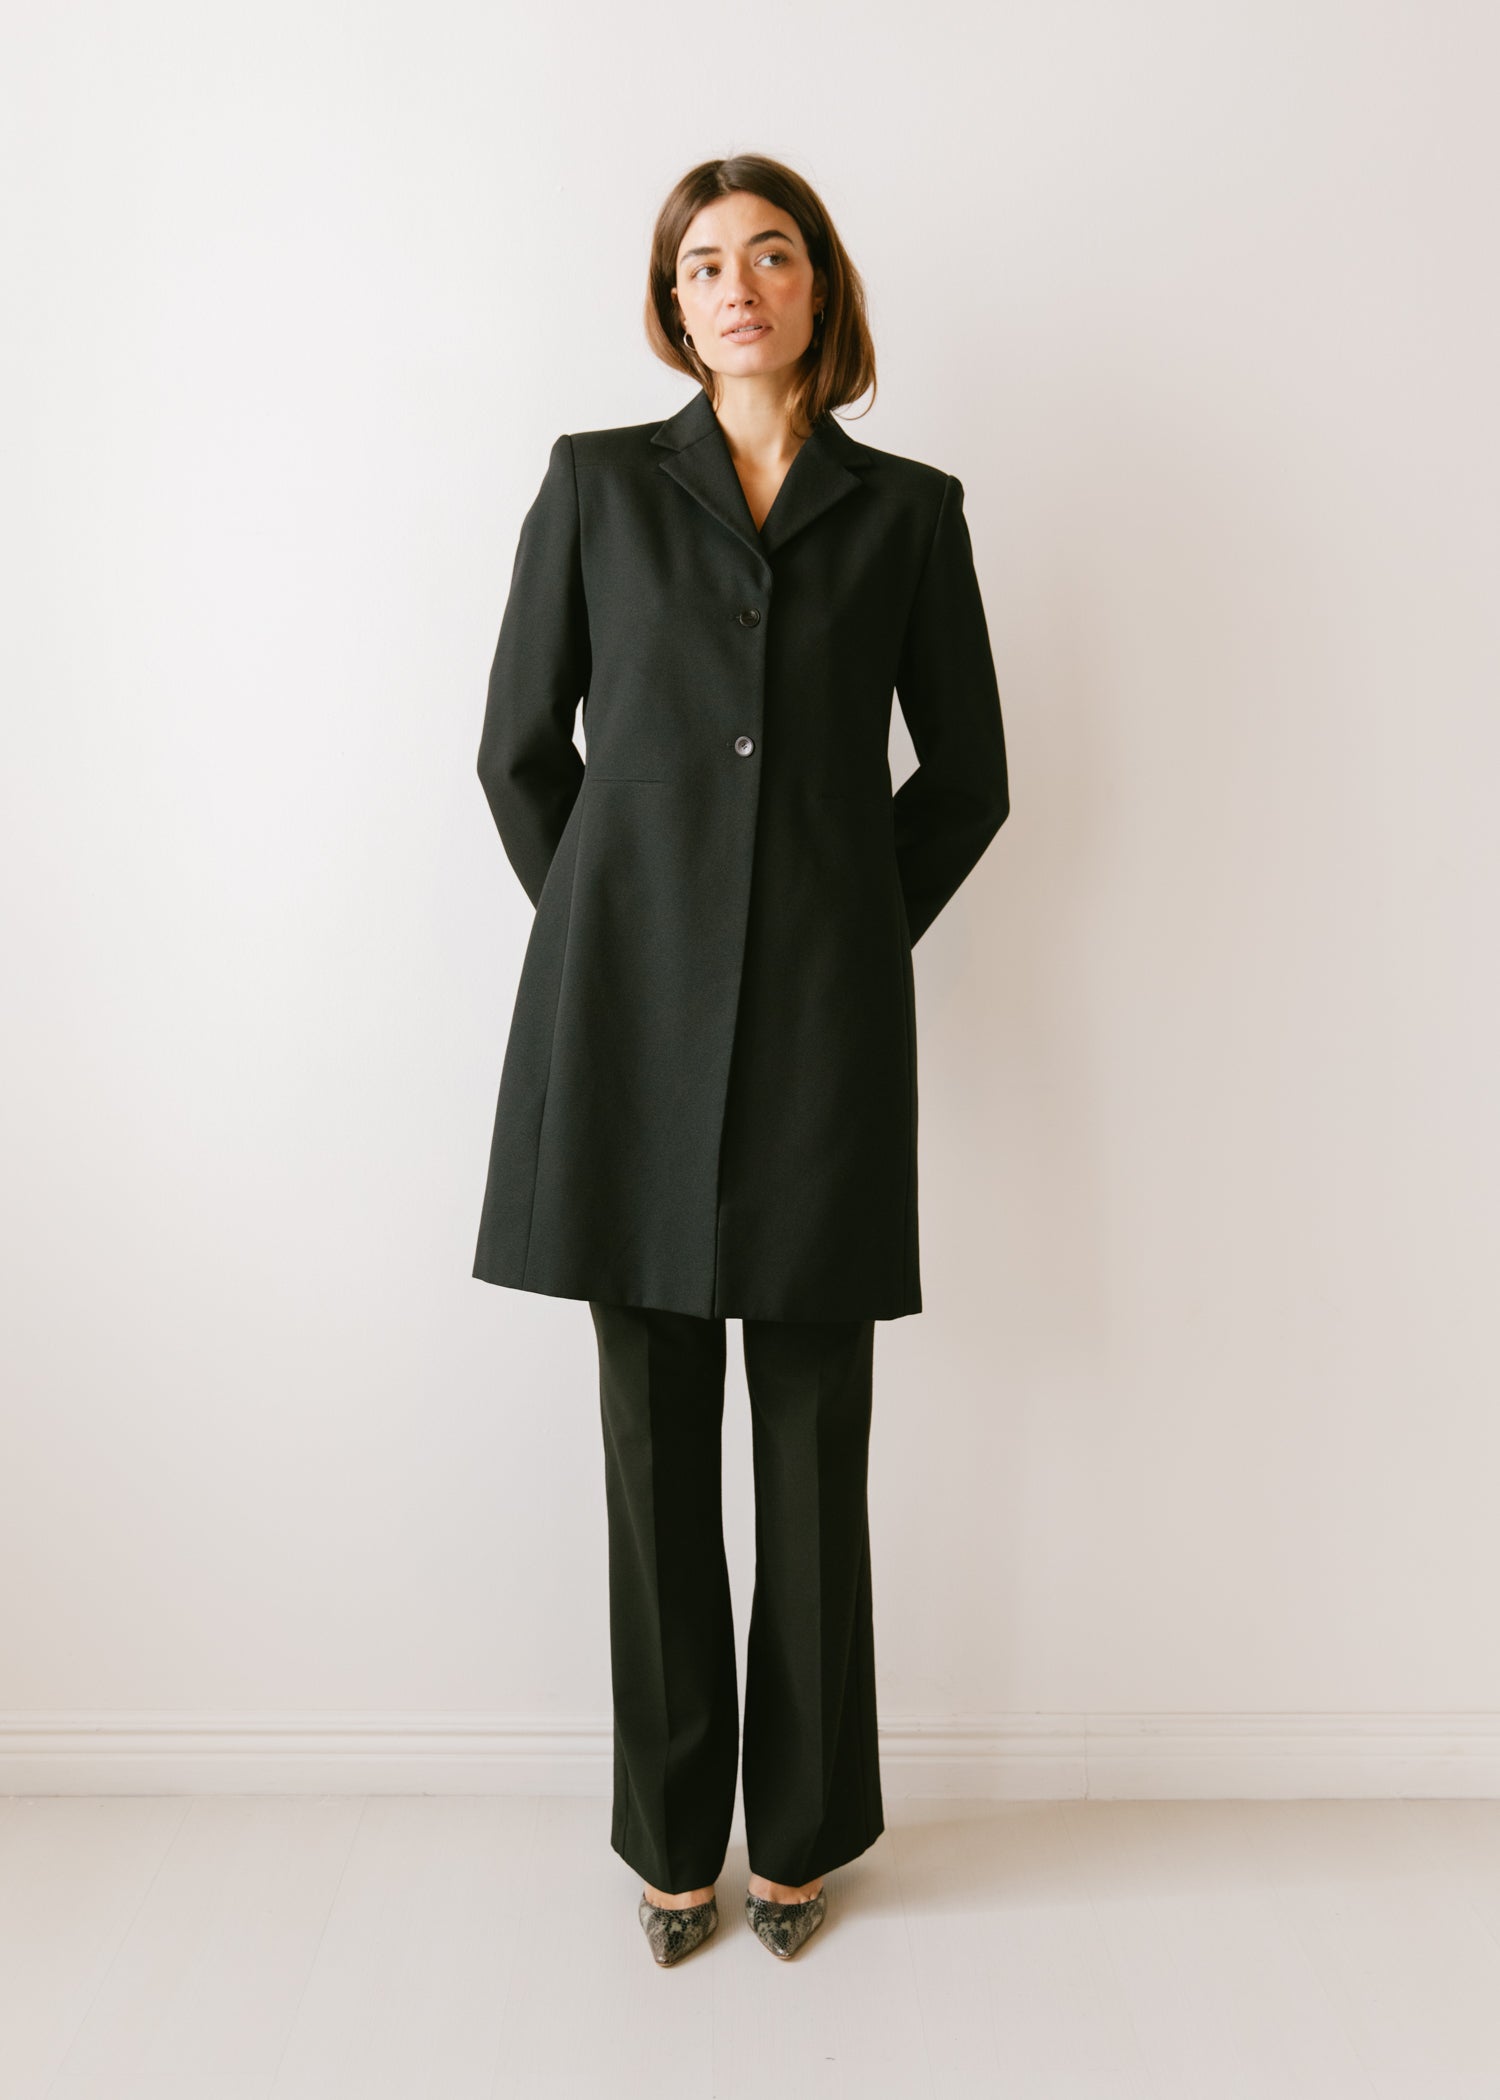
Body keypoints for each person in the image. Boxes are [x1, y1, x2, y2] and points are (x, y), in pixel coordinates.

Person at [473, 154, 1010, 1966]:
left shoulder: (909, 511)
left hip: (822, 1045)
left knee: (810, 1440)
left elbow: (969, 779)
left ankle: (801, 1836)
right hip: (625, 1034)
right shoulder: (595, 487)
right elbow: (517, 752)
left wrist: (843, 934)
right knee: (649, 1451)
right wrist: (619, 939)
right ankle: (668, 1842)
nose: (738, 285)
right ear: (672, 301)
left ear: (818, 288)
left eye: (771, 255)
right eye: (704, 262)